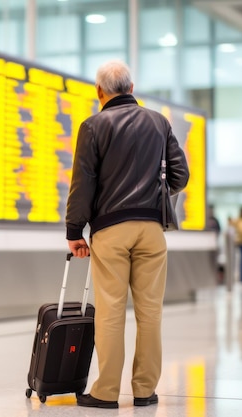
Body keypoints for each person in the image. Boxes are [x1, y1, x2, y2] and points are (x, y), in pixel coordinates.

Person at [65, 59, 189, 409]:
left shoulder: (93, 126)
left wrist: (75, 230)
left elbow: (83, 184)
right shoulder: (158, 122)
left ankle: (105, 392)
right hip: (151, 230)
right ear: (132, 89)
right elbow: (180, 175)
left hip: (111, 230)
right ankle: (144, 391)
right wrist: (156, 197)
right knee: (151, 312)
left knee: (110, 312)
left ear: (99, 91)